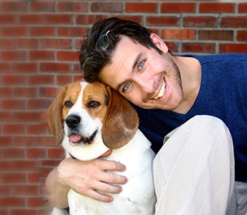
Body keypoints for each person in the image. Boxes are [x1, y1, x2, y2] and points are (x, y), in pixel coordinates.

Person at [45, 18, 247, 214]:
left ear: (158, 43)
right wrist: (62, 176)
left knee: (206, 128)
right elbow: (57, 198)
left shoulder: (240, 75)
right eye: (126, 85)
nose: (148, 87)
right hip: (179, 202)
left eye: (141, 64)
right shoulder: (126, 114)